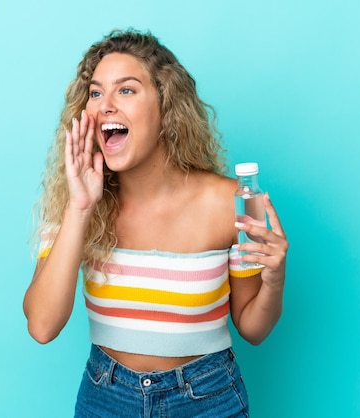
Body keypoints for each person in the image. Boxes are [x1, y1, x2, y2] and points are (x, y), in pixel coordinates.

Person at [23, 28, 289, 417]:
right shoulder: (76, 202)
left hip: (206, 400)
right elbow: (42, 327)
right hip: (105, 399)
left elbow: (253, 328)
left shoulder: (232, 202)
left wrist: (275, 280)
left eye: (126, 90)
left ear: (166, 105)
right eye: (96, 93)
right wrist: (80, 209)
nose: (106, 105)